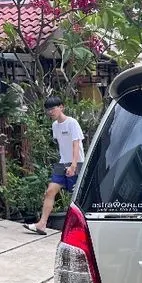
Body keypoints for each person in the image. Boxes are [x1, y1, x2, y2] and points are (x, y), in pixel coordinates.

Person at [23, 96, 85, 235]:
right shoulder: (55, 126)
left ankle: (81, 229)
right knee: (50, 191)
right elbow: (61, 145)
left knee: (77, 198)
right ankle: (42, 224)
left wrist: (74, 165)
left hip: (77, 163)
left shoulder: (72, 123)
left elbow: (76, 144)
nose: (50, 112)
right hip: (62, 163)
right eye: (48, 110)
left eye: (53, 108)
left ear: (61, 107)